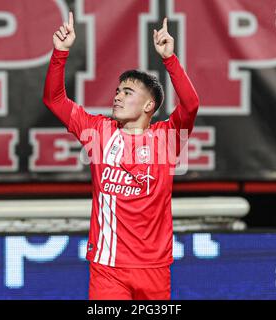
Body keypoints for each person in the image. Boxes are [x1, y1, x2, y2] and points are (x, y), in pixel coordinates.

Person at [43, 11, 199, 300]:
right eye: (117, 91)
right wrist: (60, 53)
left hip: (154, 268)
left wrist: (169, 59)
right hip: (108, 267)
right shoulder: (98, 131)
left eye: (127, 92)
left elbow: (190, 105)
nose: (117, 96)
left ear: (149, 105)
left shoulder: (167, 139)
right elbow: (54, 100)